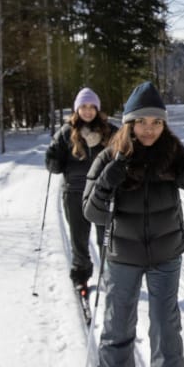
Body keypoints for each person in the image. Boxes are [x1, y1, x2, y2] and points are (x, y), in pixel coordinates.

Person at [83, 80, 184, 367]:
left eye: (157, 122)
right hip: (122, 255)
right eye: (143, 122)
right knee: (119, 318)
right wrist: (106, 183)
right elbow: (91, 210)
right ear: (129, 123)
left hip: (165, 253)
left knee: (165, 323)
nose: (149, 130)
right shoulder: (109, 156)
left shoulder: (172, 153)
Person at [45, 87, 118, 290]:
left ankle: (110, 272)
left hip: (102, 192)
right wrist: (52, 157)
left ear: (97, 108)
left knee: (106, 236)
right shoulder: (67, 132)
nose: (87, 111)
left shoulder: (109, 131)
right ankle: (81, 276)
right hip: (75, 192)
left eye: (91, 107)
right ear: (77, 109)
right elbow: (55, 165)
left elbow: (124, 151)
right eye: (83, 107)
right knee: (79, 237)